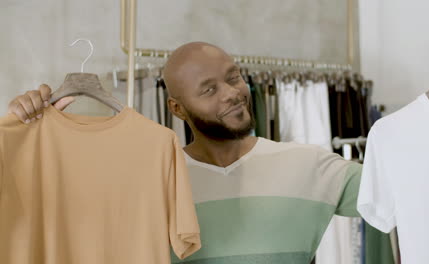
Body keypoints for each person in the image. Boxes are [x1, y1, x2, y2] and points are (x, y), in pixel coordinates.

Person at [7, 42, 364, 264]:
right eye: (209, 89)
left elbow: (402, 189)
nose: (231, 94)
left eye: (234, 77)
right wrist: (27, 124)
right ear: (176, 109)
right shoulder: (152, 175)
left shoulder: (310, 164)